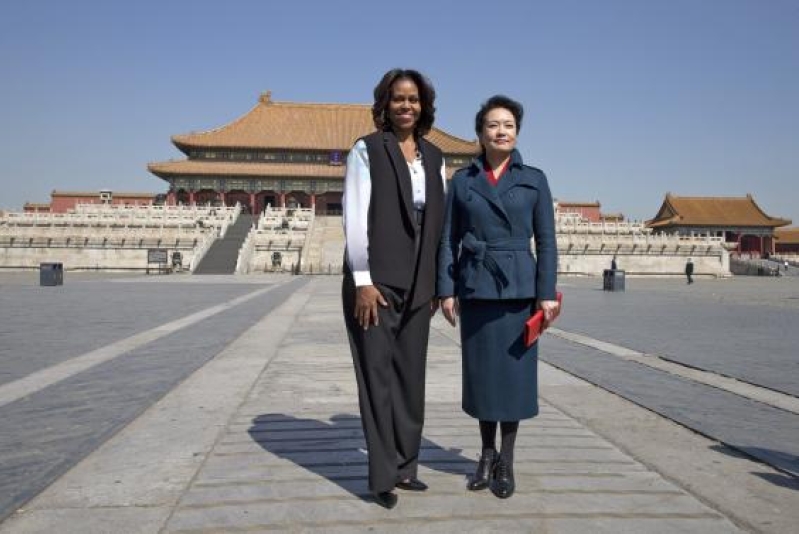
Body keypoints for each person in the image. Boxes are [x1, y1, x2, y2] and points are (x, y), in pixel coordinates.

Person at [437, 95, 559, 499]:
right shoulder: (462, 181)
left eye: (508, 125)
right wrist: (446, 290)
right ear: (480, 132)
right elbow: (448, 239)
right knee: (483, 378)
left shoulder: (534, 178)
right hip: (476, 287)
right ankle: (485, 455)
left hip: (519, 291)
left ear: (517, 132)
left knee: (515, 381)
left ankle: (506, 459)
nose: (501, 131)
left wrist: (546, 294)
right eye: (493, 125)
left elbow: (546, 241)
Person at [341, 68, 446, 509]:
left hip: (419, 283)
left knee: (410, 380)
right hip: (377, 283)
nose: (407, 106)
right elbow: (354, 215)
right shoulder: (367, 150)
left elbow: (439, 223)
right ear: (384, 103)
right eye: (398, 98)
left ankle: (406, 466)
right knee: (377, 379)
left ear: (424, 105)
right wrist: (362, 280)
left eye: (414, 99)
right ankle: (382, 476)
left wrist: (439, 283)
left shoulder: (435, 156)